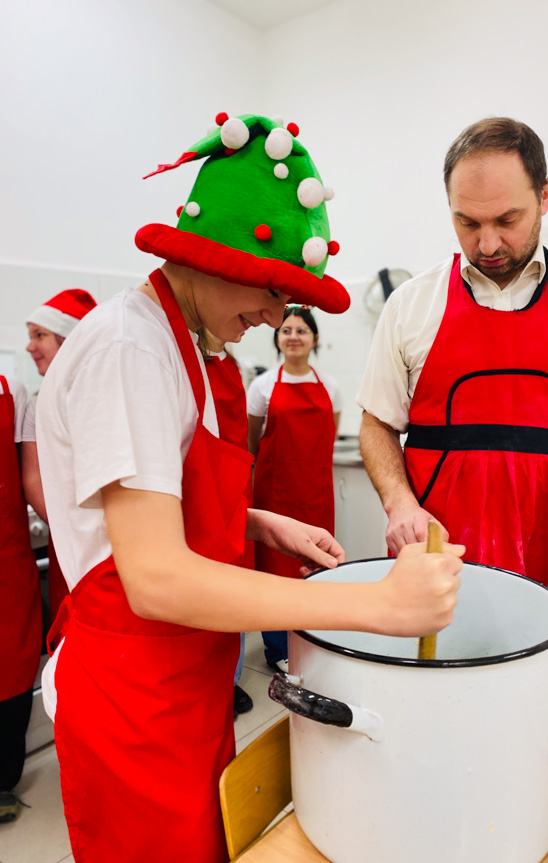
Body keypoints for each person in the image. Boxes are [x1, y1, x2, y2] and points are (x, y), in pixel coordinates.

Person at [36, 112, 463, 863]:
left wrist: (259, 520)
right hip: (131, 687)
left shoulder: (193, 347)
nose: (274, 316)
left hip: (187, 672)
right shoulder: (130, 349)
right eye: (269, 290)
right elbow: (156, 577)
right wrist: (371, 604)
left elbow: (157, 500)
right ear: (209, 258)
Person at [358, 117, 548, 594]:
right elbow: (376, 423)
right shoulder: (411, 303)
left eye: (507, 220)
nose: (487, 244)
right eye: (467, 223)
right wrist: (399, 504)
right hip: (438, 561)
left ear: (545, 195)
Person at [248, 305, 341, 672]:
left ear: (314, 339)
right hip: (275, 494)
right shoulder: (262, 386)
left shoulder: (330, 387)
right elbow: (253, 443)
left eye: (301, 330)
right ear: (277, 338)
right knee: (275, 571)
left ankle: (311, 640)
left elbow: (328, 438)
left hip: (316, 492)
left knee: (316, 565)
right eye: (286, 330)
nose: (294, 336)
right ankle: (277, 649)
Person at [22, 289, 98, 623]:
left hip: (128, 534)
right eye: (30, 336)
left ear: (69, 341)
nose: (29, 347)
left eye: (40, 335)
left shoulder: (108, 392)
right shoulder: (35, 404)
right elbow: (34, 480)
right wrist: (76, 528)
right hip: (69, 536)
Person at [198, 327, 254, 718]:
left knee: (239, 586)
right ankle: (214, 681)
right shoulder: (189, 366)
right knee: (212, 591)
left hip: (237, 491)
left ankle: (229, 680)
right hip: (207, 492)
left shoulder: (236, 366)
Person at [0, 374, 41, 823]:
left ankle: (2, 780)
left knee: (12, 665)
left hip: (6, 556)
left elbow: (30, 476)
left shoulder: (15, 391)